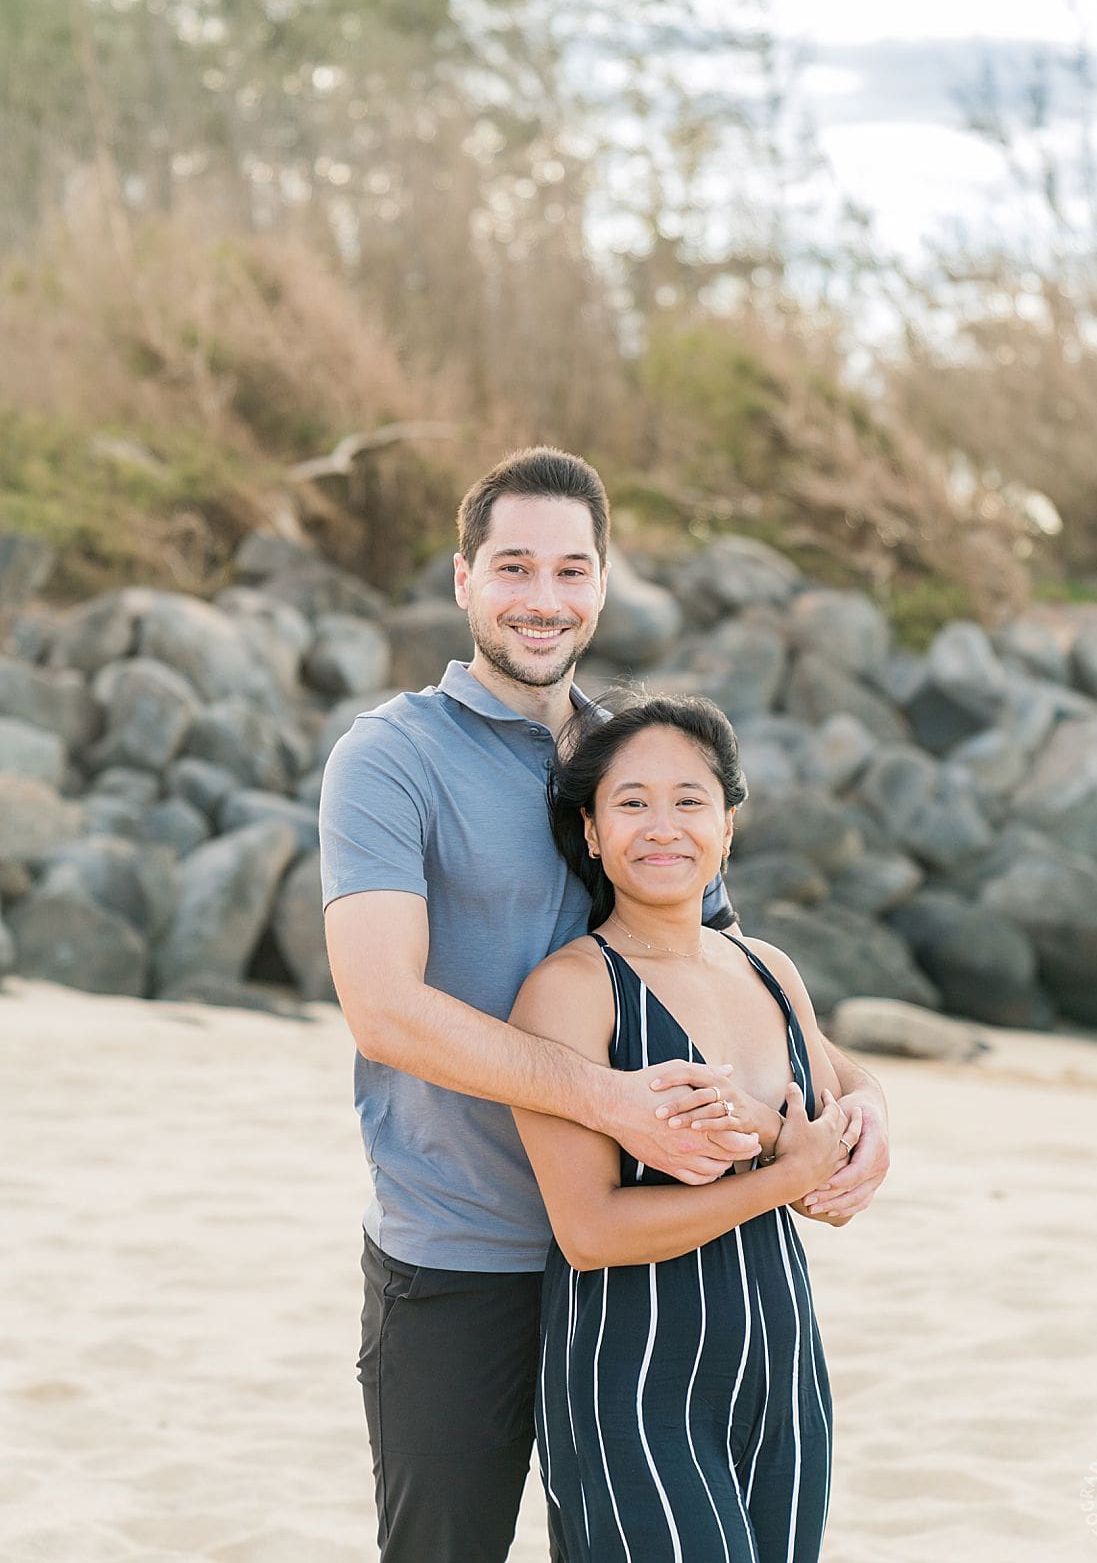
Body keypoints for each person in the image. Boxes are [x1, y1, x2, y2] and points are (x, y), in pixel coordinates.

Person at [320, 445, 889, 1563]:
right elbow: (382, 1008)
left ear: (603, 581)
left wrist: (866, 1105)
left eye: (571, 570)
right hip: (466, 1251)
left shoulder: (639, 768)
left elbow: (724, 979)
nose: (544, 599)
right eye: (515, 567)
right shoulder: (390, 757)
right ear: (463, 579)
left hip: (660, 1263)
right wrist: (610, 1099)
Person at [510, 695, 856, 1562]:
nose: (662, 827)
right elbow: (588, 1232)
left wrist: (836, 1154)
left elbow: (821, 1142)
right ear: (591, 833)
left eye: (689, 801)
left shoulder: (769, 969)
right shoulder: (571, 989)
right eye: (630, 803)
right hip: (634, 1379)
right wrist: (781, 1176)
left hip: (783, 1370)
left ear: (728, 827)